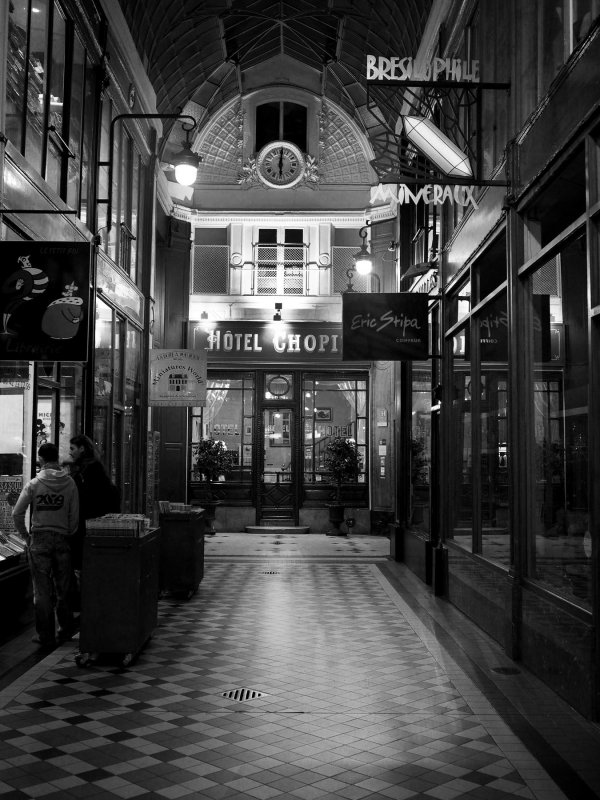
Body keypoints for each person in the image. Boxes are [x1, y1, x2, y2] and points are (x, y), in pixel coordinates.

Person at [12, 442, 79, 649]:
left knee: (41, 591)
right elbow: (74, 516)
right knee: (63, 588)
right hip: (62, 539)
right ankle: (65, 629)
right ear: (56, 460)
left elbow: (17, 513)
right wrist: (67, 532)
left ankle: (45, 635)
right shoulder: (70, 484)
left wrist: (26, 536)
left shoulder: (34, 484)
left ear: (40, 459)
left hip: (39, 539)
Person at [67, 434, 120, 573]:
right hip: (90, 523)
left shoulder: (89, 469)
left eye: (72, 448)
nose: (70, 452)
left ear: (82, 449)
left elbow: (89, 497)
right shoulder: (90, 466)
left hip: (88, 523)